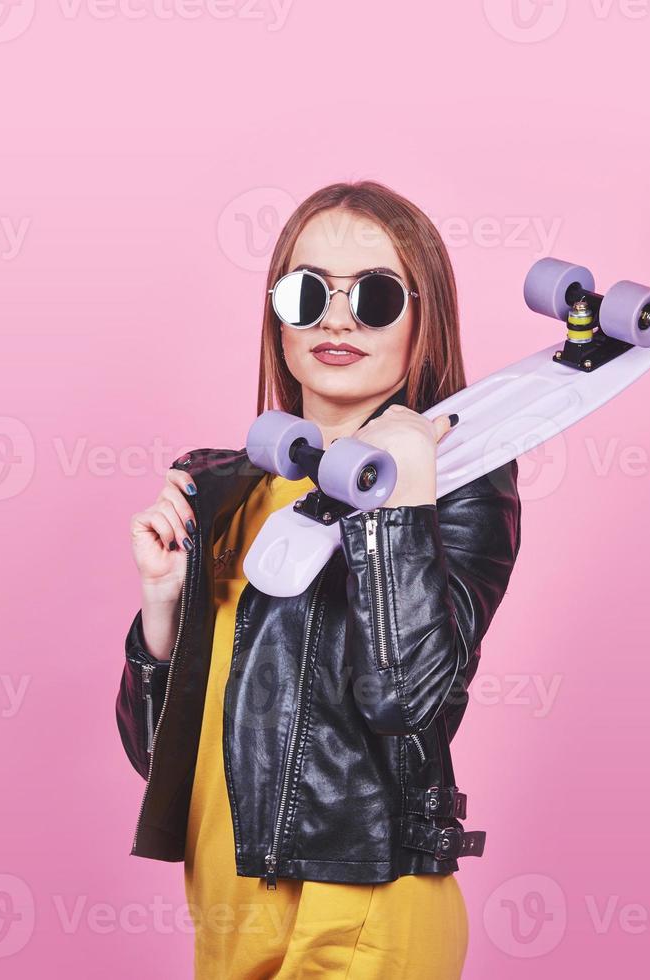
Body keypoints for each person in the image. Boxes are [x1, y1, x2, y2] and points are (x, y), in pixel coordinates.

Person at [118, 180, 522, 978]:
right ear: (278, 315)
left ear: (423, 317)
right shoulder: (223, 491)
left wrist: (397, 500)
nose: (336, 320)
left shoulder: (457, 485)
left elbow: (407, 702)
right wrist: (161, 616)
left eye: (373, 295)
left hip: (366, 902)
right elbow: (160, 761)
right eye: (308, 294)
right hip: (228, 904)